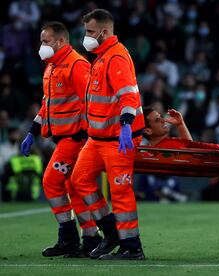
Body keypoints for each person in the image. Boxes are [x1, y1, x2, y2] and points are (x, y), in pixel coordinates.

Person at [20, 21, 102, 257]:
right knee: (72, 187)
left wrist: (85, 133)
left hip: (75, 138)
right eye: (41, 41)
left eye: (45, 42)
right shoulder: (53, 66)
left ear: (61, 41)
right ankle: (90, 238)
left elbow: (91, 100)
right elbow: (48, 105)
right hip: (64, 137)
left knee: (51, 181)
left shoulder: (76, 65)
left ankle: (68, 237)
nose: (42, 46)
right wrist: (32, 132)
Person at [70, 9, 145, 260]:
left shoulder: (116, 58)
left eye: (90, 32)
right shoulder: (101, 57)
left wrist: (126, 124)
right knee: (79, 179)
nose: (86, 37)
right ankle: (111, 232)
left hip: (117, 139)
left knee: (121, 192)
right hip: (98, 138)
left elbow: (128, 95)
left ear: (104, 32)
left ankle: (132, 248)